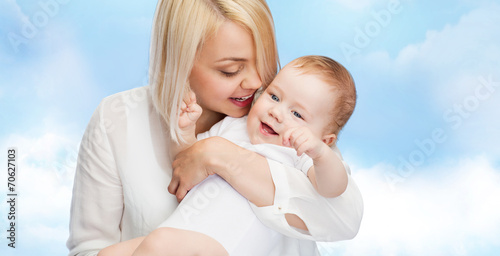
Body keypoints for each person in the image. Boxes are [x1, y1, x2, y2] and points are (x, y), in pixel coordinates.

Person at [67, 0, 363, 255]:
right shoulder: (116, 118)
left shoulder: (297, 131)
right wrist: (188, 137)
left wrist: (221, 156)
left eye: (264, 62)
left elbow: (343, 216)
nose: (257, 82)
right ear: (179, 61)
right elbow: (185, 163)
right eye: (230, 70)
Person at [113, 55, 358, 256]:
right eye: (274, 96)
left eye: (298, 115)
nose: (277, 112)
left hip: (224, 245)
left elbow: (333, 189)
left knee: (160, 243)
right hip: (183, 230)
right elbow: (187, 163)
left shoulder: (299, 154)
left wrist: (321, 155)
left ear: (325, 140)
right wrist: (185, 131)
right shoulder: (233, 126)